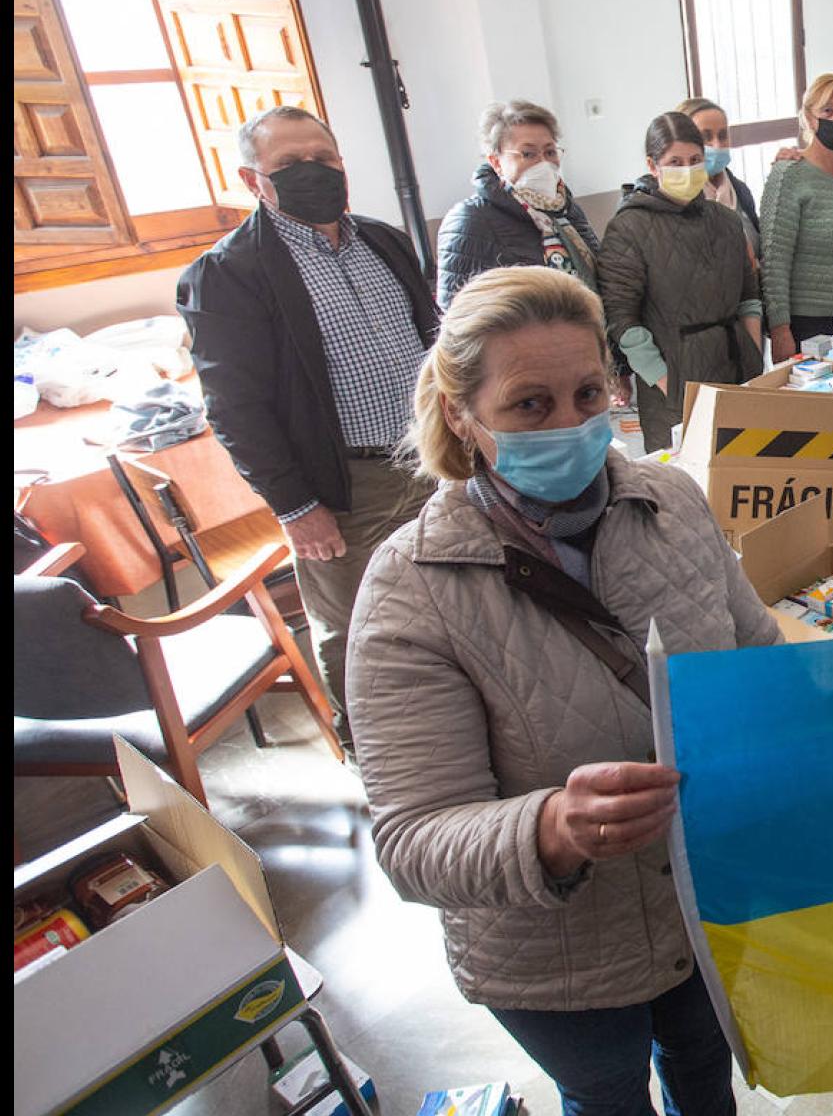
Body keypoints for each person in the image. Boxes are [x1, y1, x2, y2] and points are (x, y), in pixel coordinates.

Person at [348, 266, 780, 1116]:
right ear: (463, 418)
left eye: (589, 392)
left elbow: (756, 653)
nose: (573, 424)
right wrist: (552, 826)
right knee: (607, 1095)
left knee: (706, 1063)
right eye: (530, 405)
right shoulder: (412, 591)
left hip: (703, 899)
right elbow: (413, 839)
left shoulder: (671, 500)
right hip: (557, 954)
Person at [176, 106, 435, 752]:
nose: (313, 173)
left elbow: (433, 342)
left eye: (324, 159)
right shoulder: (230, 274)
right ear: (252, 179)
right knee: (357, 626)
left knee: (449, 598)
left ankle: (446, 729)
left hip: (431, 461)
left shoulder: (384, 242)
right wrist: (295, 505)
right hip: (344, 483)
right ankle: (378, 757)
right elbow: (236, 408)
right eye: (290, 165)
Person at [600, 112, 763, 448]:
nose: (687, 170)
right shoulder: (628, 228)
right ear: (653, 164)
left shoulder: (726, 221)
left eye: (694, 160)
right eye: (675, 161)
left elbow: (748, 297)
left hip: (737, 369)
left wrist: (754, 357)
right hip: (673, 384)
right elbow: (622, 320)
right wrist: (667, 383)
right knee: (684, 483)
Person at [758, 73, 833, 361]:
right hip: (809, 325)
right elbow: (775, 263)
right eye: (828, 111)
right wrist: (780, 330)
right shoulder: (788, 174)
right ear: (810, 118)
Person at [436, 100, 603, 311]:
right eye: (528, 154)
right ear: (496, 162)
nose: (543, 163)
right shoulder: (471, 219)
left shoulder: (566, 210)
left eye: (550, 152)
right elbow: (457, 315)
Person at [676, 97, 761, 249]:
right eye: (705, 137)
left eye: (722, 136)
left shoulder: (740, 191)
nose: (717, 145)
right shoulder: (677, 200)